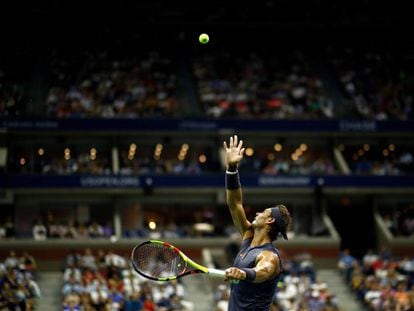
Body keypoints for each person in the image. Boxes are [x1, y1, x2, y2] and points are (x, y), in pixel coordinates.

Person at [223, 135, 292, 310]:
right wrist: (232, 168)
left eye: (263, 212)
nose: (257, 213)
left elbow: (264, 271)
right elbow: (234, 204)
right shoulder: (248, 236)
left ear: (269, 220)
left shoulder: (270, 256)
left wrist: (244, 273)